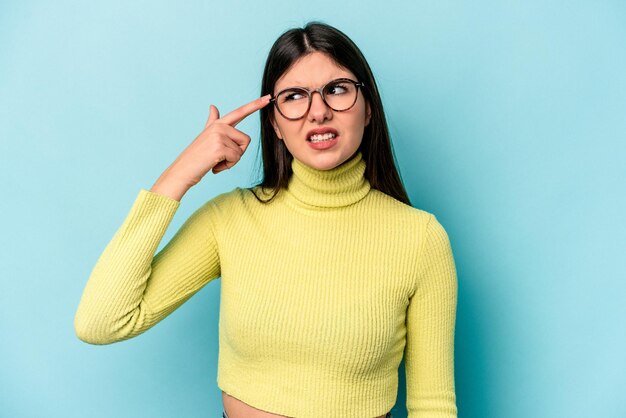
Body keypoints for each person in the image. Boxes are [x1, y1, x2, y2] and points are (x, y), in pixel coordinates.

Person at [74, 21, 458, 418]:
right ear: (273, 122)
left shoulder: (420, 238)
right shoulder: (230, 219)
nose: (319, 112)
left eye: (337, 89)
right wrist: (181, 173)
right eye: (294, 97)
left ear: (368, 108)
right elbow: (101, 322)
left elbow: (433, 405)